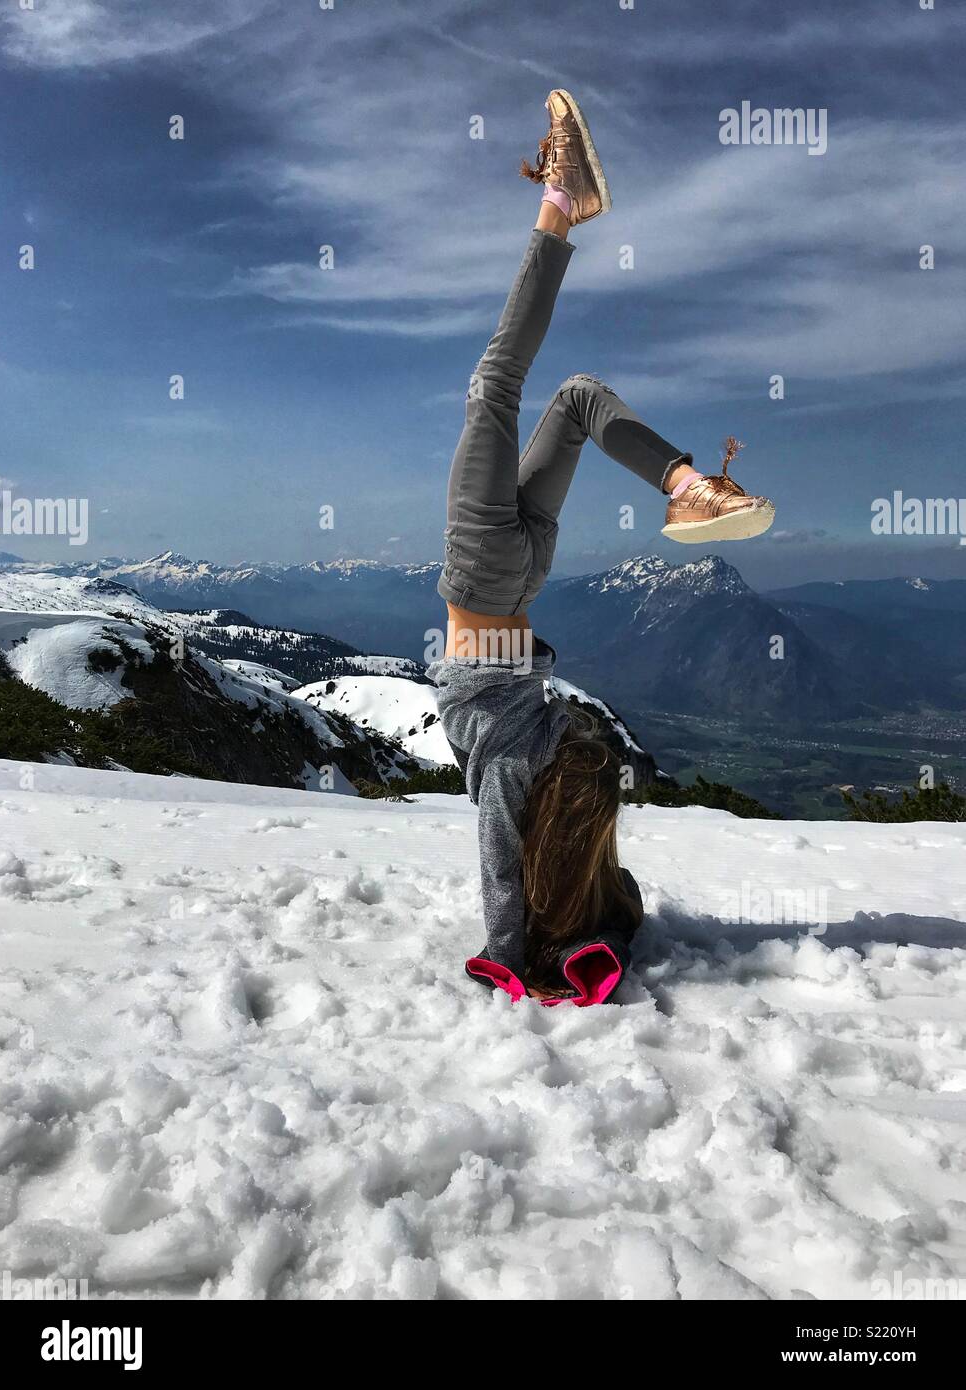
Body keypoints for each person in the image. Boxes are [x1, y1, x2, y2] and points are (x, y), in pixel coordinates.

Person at [425, 91, 775, 1005]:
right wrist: (512, 953)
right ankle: (560, 202)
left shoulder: (540, 744)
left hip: (521, 581)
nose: (581, 757)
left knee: (574, 396)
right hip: (487, 585)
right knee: (495, 384)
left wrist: (584, 936)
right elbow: (503, 871)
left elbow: (602, 897)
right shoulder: (512, 766)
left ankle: (691, 489)